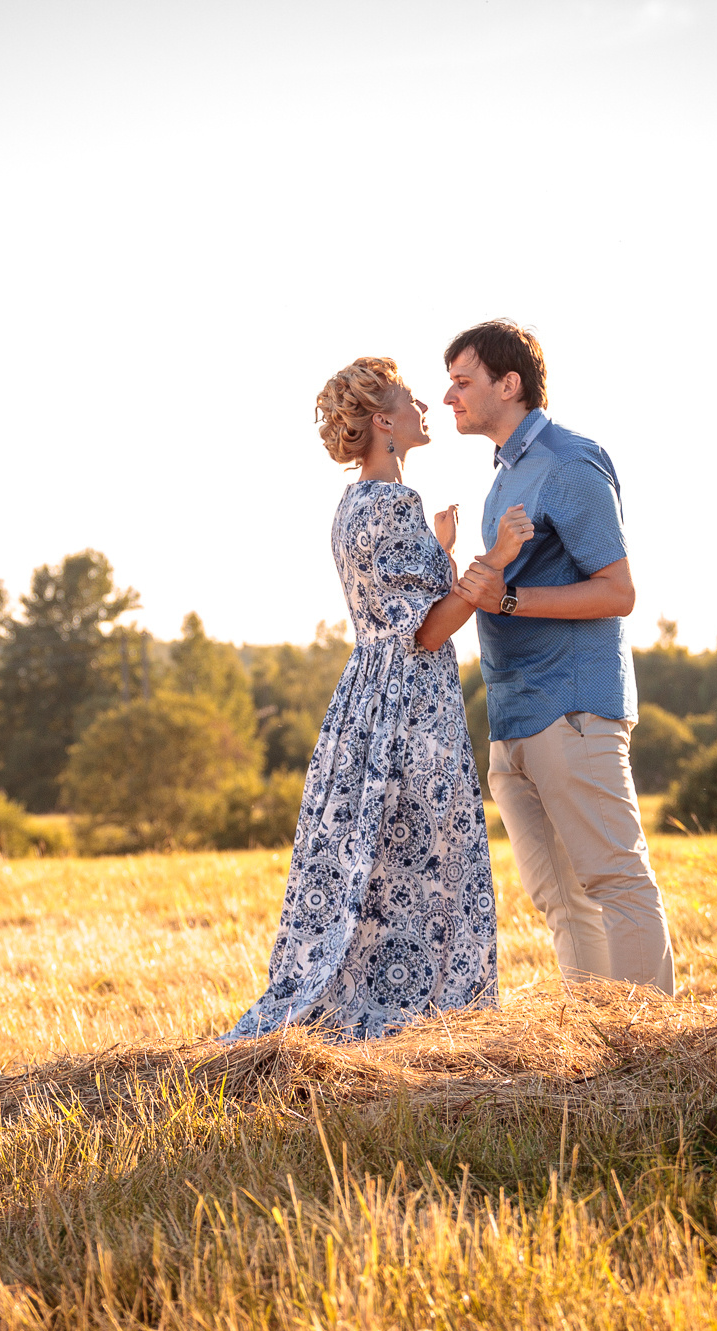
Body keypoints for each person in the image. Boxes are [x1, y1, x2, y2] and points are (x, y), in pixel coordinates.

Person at [222, 356, 533, 1041]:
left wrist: (439, 550)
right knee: (425, 858)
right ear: (384, 422)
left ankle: (373, 999)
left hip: (368, 702)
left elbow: (397, 608)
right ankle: (427, 1010)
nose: (427, 401)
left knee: (380, 862)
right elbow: (422, 631)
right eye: (409, 396)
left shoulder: (355, 506)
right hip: (411, 709)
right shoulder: (395, 505)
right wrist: (495, 560)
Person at [445, 320, 676, 995]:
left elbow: (618, 590)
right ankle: (599, 1058)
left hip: (571, 708)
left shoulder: (570, 462)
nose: (450, 394)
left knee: (617, 881)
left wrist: (509, 598)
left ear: (507, 383)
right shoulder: (504, 477)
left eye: (463, 380)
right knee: (562, 902)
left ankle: (654, 1057)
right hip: (514, 718)